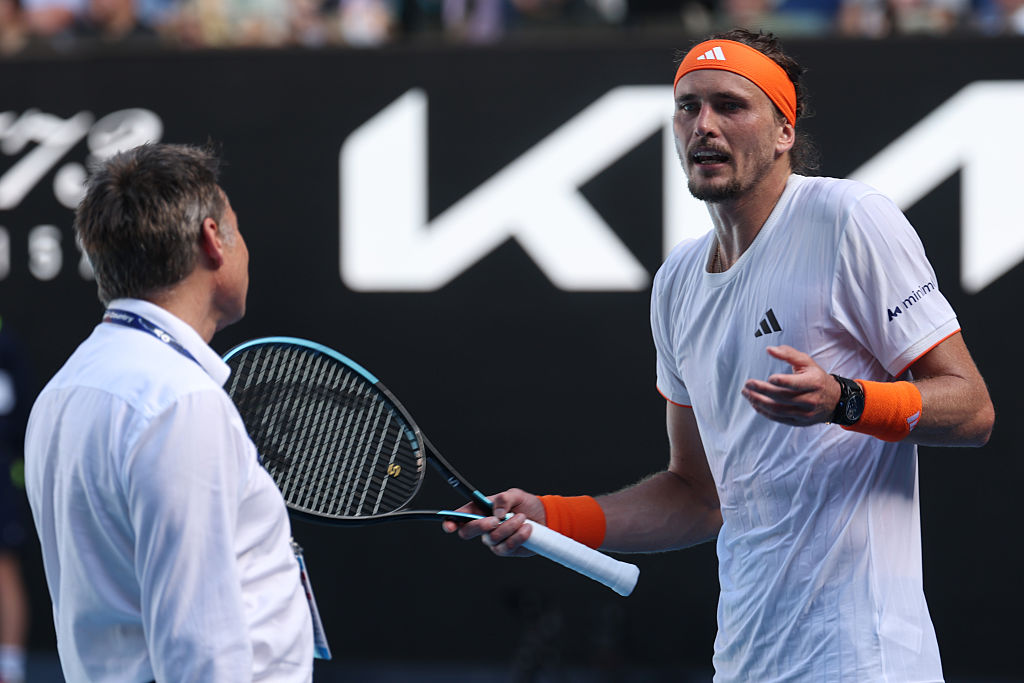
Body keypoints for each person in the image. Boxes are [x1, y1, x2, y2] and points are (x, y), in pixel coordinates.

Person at [446, 28, 994, 681]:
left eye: (731, 105)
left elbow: (972, 406)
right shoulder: (677, 282)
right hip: (744, 659)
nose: (704, 124)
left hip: (863, 657)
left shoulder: (849, 218)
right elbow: (697, 493)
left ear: (784, 130)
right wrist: (553, 516)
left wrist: (846, 399)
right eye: (688, 106)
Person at [23, 143, 314, 682]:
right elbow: (200, 649)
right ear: (212, 240)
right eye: (237, 227)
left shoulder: (65, 388)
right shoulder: (179, 402)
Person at [0, 317, 31, 683]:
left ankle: (9, 668)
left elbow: (22, 414)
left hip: (2, 476)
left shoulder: (8, 346)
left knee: (5, 568)